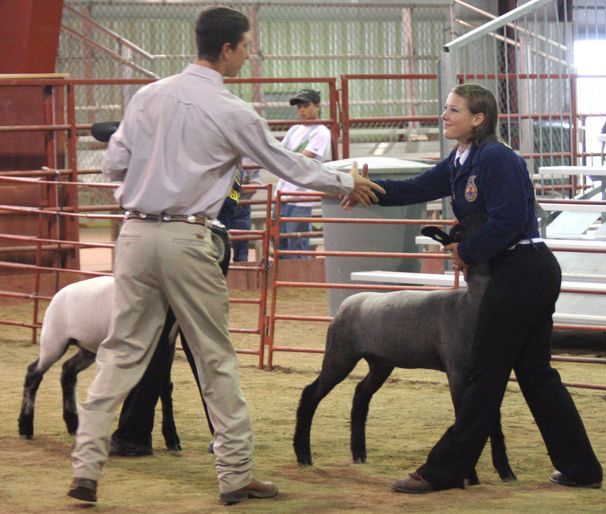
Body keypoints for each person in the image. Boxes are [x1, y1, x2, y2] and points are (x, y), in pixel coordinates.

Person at [67, 6, 384, 507]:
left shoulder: (148, 96)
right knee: (215, 357)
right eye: (246, 46)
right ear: (228, 49)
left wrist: (147, 189)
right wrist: (347, 181)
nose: (249, 53)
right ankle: (234, 476)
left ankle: (85, 469)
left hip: (135, 234)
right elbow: (286, 164)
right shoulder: (233, 111)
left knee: (121, 351)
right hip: (190, 239)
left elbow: (114, 163)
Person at [343, 83, 603, 493]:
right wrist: (364, 189)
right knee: (536, 374)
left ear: (478, 119)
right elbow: (415, 187)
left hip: (521, 269)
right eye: (446, 109)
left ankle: (445, 470)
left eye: (454, 110)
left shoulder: (498, 159)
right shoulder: (462, 160)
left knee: (484, 373)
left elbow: (509, 219)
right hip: (522, 271)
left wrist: (466, 250)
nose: (445, 116)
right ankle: (582, 468)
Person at [274, 89, 331, 258]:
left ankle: (299, 282)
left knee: (296, 244)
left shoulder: (321, 132)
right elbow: (279, 153)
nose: (301, 110)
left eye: (306, 105)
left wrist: (284, 159)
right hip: (284, 193)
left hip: (301, 196)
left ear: (317, 107)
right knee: (281, 243)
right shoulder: (295, 129)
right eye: (299, 106)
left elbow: (301, 160)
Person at [218, 164, 263, 261]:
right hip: (221, 208)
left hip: (240, 208)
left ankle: (241, 273)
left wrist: (229, 189)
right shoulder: (221, 158)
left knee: (241, 250)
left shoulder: (248, 161)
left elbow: (254, 186)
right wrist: (242, 185)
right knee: (219, 246)